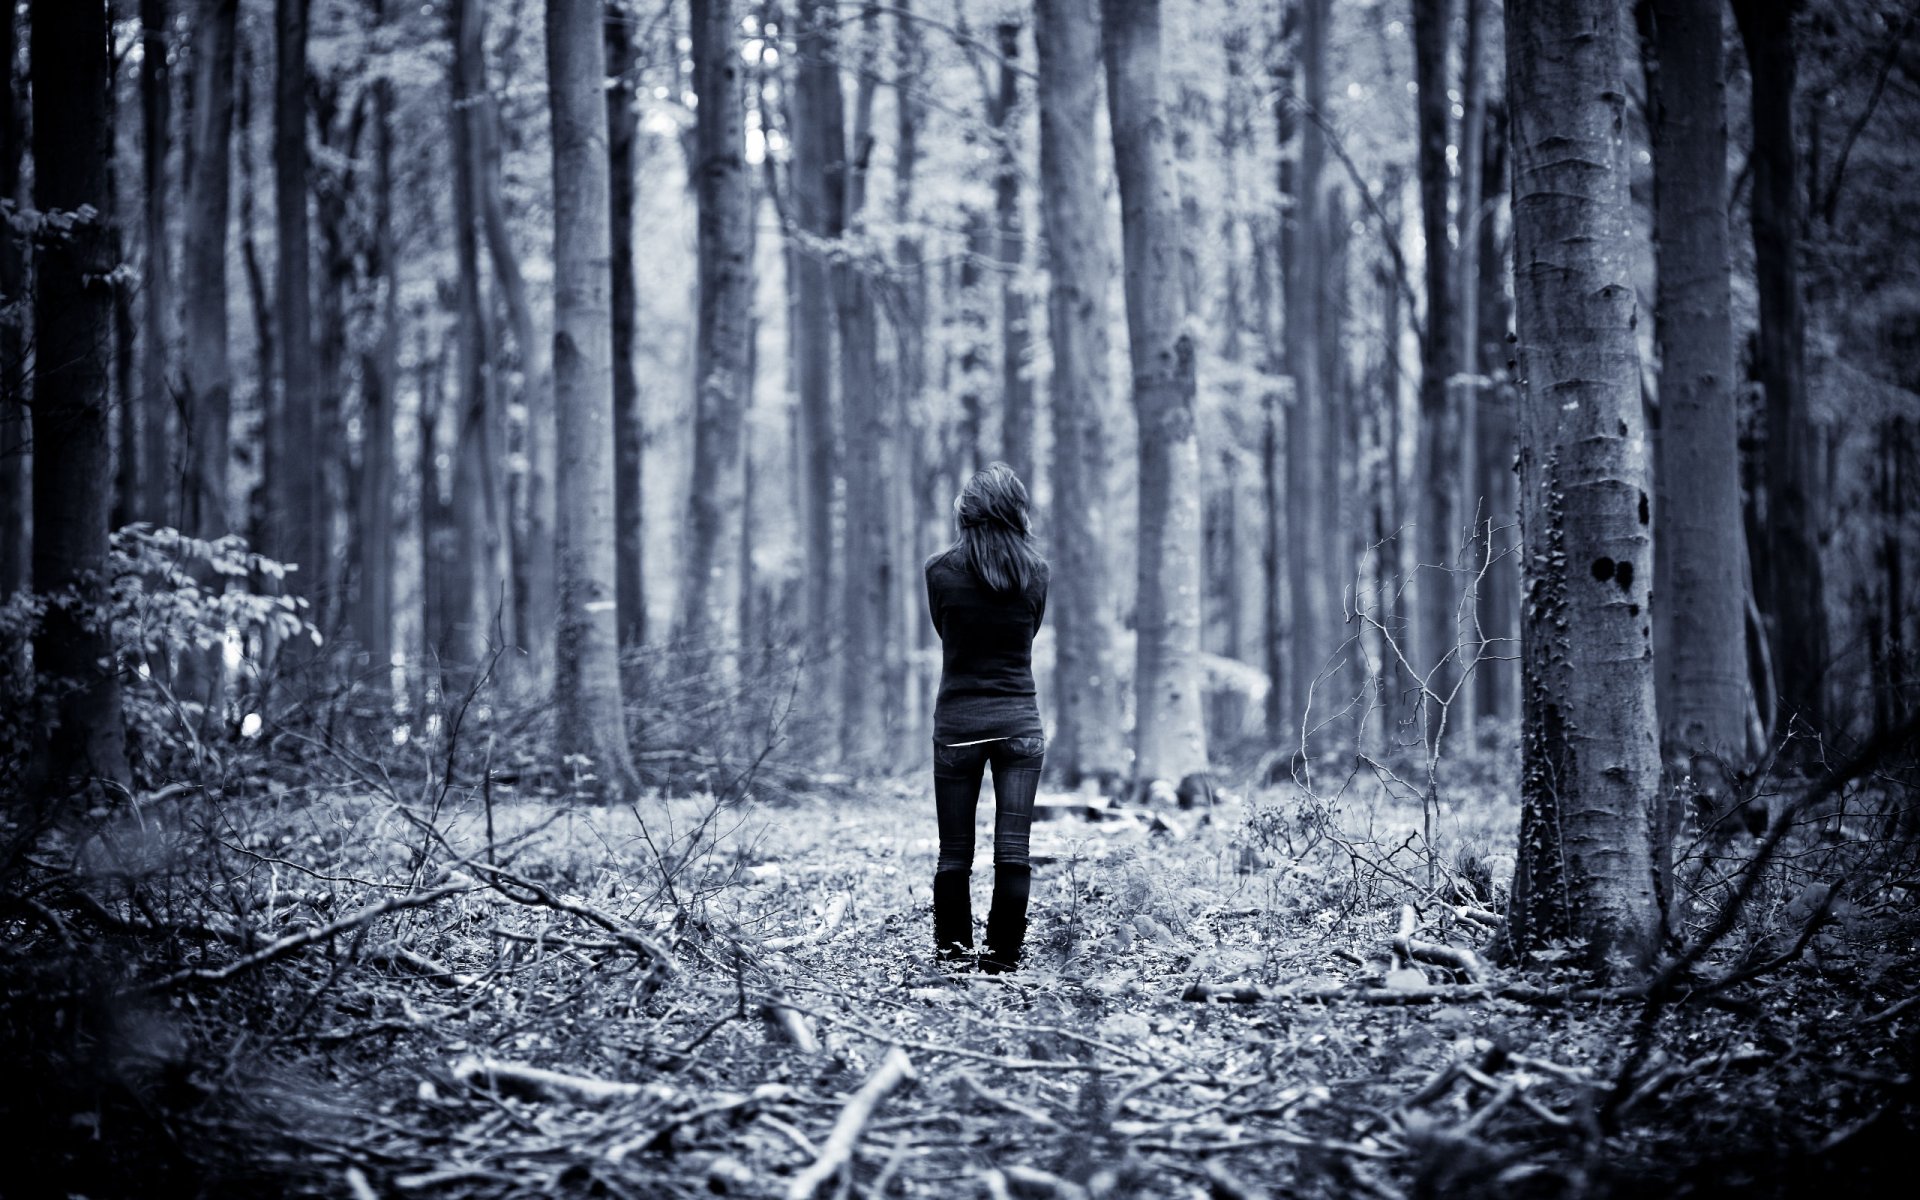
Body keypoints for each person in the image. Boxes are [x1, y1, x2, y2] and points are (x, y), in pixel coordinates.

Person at [924, 462, 1049, 974]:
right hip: (1019, 723)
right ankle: (1002, 962)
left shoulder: (939, 571)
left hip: (957, 725)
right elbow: (1030, 632)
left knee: (954, 853)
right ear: (1017, 511)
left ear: (967, 511)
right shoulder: (1037, 572)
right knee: (1013, 852)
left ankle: (953, 960)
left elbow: (946, 632)